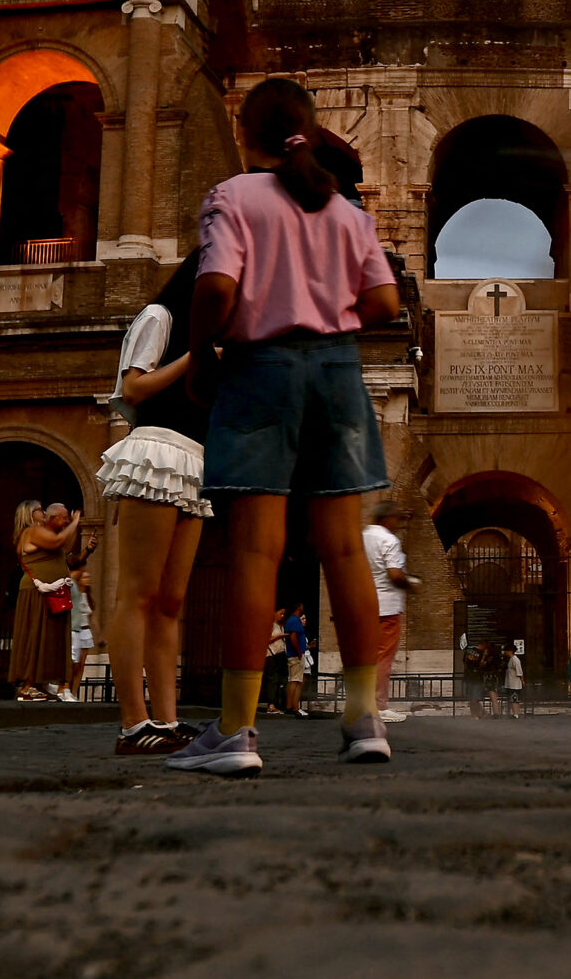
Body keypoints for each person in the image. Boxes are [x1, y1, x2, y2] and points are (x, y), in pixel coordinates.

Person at [167, 78, 402, 776]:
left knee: (255, 553)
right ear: (311, 131)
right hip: (337, 373)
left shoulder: (234, 197)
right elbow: (385, 301)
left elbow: (216, 286)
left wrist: (202, 351)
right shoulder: (347, 210)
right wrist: (328, 319)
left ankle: (236, 731)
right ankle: (364, 720)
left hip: (259, 367)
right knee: (346, 550)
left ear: (245, 131)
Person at [99, 254, 209, 754]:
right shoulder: (159, 316)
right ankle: (132, 724)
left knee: (170, 603)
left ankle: (165, 720)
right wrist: (195, 358)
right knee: (137, 595)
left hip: (193, 460)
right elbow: (132, 387)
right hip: (155, 450)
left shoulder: (211, 333)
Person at [8, 500, 80, 701]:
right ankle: (28, 686)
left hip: (51, 593)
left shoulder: (41, 533)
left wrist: (69, 527)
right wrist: (75, 522)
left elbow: (65, 546)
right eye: (39, 509)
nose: (43, 512)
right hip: (37, 593)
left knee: (47, 638)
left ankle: (38, 684)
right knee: (35, 635)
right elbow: (57, 542)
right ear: (30, 514)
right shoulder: (32, 531)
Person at [363, 502, 412, 723]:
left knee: (367, 656)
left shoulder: (362, 537)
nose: (399, 523)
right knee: (383, 657)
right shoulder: (388, 540)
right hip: (387, 608)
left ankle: (362, 703)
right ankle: (379, 706)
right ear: (388, 518)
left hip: (365, 605)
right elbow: (394, 574)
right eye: (397, 518)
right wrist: (410, 583)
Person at [65, 567, 97, 699]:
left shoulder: (88, 596)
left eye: (88, 577)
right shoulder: (75, 594)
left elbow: (92, 617)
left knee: (81, 665)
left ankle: (74, 692)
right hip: (75, 630)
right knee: (74, 663)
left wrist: (99, 634)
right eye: (85, 577)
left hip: (86, 631)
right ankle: (66, 688)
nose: (87, 580)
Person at [281, 605, 313, 717]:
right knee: (295, 680)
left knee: (295, 680)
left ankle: (292, 706)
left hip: (294, 654)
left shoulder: (291, 620)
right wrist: (299, 651)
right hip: (296, 655)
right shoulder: (294, 621)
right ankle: (291, 706)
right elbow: (293, 637)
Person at [462, 632, 500, 715]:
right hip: (477, 678)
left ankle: (477, 714)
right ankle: (478, 714)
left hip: (469, 677)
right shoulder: (480, 653)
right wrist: (484, 657)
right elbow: (481, 665)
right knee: (475, 698)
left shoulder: (469, 651)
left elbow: (465, 661)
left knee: (472, 698)